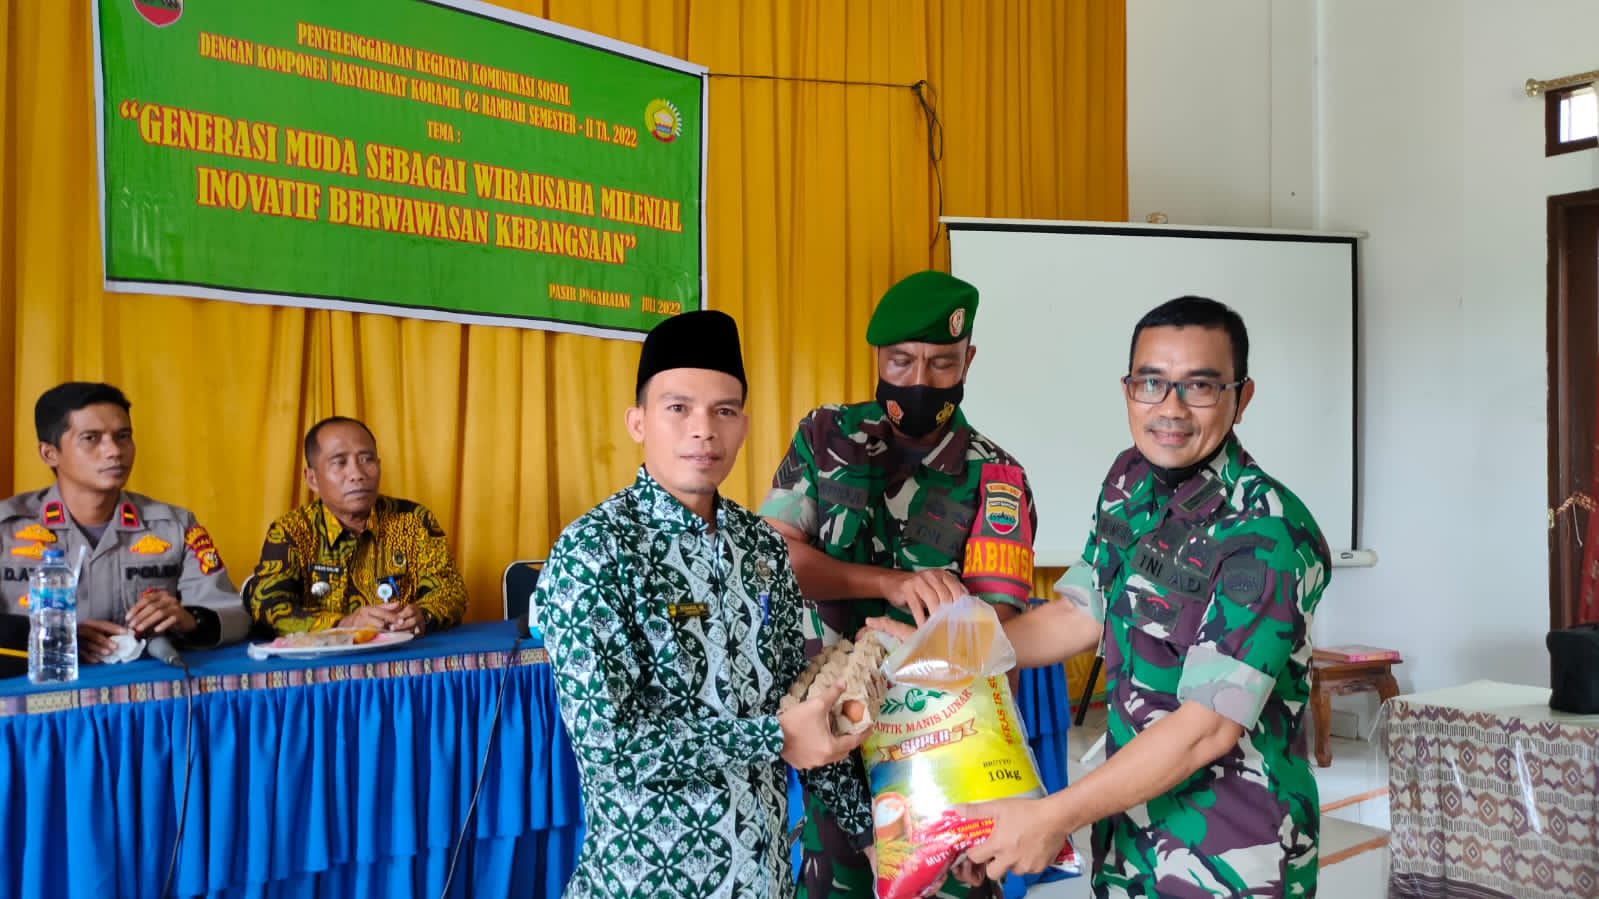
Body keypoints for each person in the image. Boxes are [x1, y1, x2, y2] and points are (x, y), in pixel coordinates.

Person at [877, 295, 1330, 897]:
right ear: (1128, 390)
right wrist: (941, 647)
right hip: (1128, 841)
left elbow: (1206, 728)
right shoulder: (1129, 479)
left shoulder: (1266, 532)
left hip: (1234, 858)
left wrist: (1052, 817)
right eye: (1151, 383)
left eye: (1199, 386)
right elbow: (1078, 614)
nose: (1170, 408)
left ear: (1240, 398)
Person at [536, 310, 871, 899]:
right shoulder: (595, 550)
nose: (704, 430)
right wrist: (772, 738)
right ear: (638, 422)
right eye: (678, 408)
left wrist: (874, 837)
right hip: (646, 883)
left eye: (724, 411)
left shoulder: (762, 547)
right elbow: (609, 745)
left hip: (766, 881)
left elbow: (800, 703)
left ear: (744, 426)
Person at [759, 270, 1038, 899]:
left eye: (942, 363)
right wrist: (888, 583)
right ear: (878, 358)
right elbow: (774, 557)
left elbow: (998, 639)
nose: (919, 381)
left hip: (938, 756)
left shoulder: (995, 478)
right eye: (901, 361)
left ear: (969, 360)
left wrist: (991, 792)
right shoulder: (826, 437)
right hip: (831, 735)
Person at [0, 382, 250, 659]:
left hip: (149, 682)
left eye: (122, 436)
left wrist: (190, 620)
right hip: (43, 682)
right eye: (91, 438)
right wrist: (55, 634)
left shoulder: (173, 526)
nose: (114, 451)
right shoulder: (6, 528)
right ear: (50, 453)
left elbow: (235, 617)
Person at [243, 417, 466, 635]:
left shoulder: (413, 521)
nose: (357, 474)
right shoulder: (291, 531)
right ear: (312, 479)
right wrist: (344, 624)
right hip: (321, 657)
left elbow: (451, 591)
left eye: (367, 459)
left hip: (403, 654)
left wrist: (423, 615)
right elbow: (266, 606)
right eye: (339, 463)